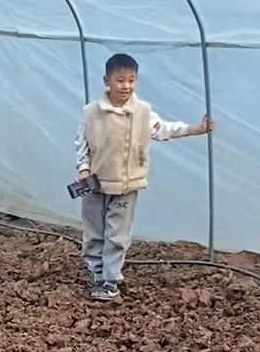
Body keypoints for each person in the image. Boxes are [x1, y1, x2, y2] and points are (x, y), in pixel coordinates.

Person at [75, 52, 214, 302]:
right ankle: (98, 274)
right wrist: (84, 169)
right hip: (95, 185)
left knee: (117, 235)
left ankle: (110, 281)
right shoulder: (91, 113)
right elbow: (82, 143)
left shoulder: (143, 113)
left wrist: (196, 129)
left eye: (131, 80)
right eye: (120, 80)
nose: (126, 86)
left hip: (127, 184)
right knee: (94, 232)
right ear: (106, 81)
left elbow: (163, 130)